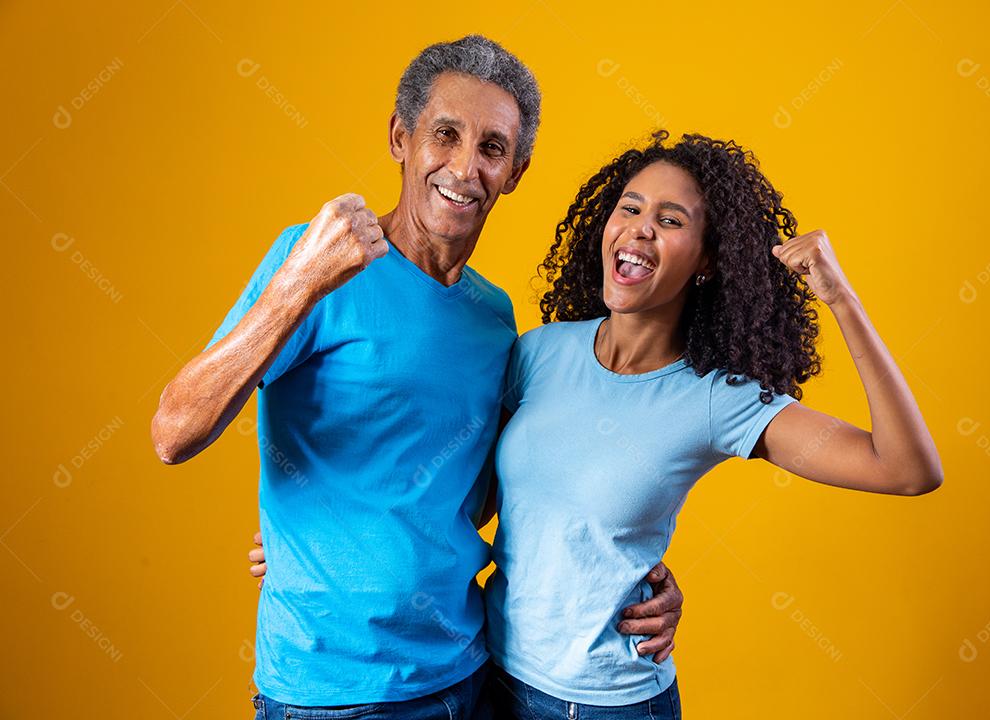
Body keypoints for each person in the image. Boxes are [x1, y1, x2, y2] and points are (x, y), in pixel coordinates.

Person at [250, 130, 943, 717]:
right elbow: (473, 493)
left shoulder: (719, 398)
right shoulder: (540, 352)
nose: (641, 227)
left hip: (605, 703)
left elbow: (906, 470)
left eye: (672, 221)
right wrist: (320, 527)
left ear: (706, 264)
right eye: (630, 207)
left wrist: (841, 298)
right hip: (486, 678)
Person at [150, 36, 682, 720]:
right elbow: (174, 432)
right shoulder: (313, 263)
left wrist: (631, 577)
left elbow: (486, 491)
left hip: (472, 675)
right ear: (401, 138)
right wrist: (299, 287)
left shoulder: (494, 318)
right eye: (445, 135)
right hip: (334, 695)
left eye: (492, 148)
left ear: (516, 171)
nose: (464, 167)